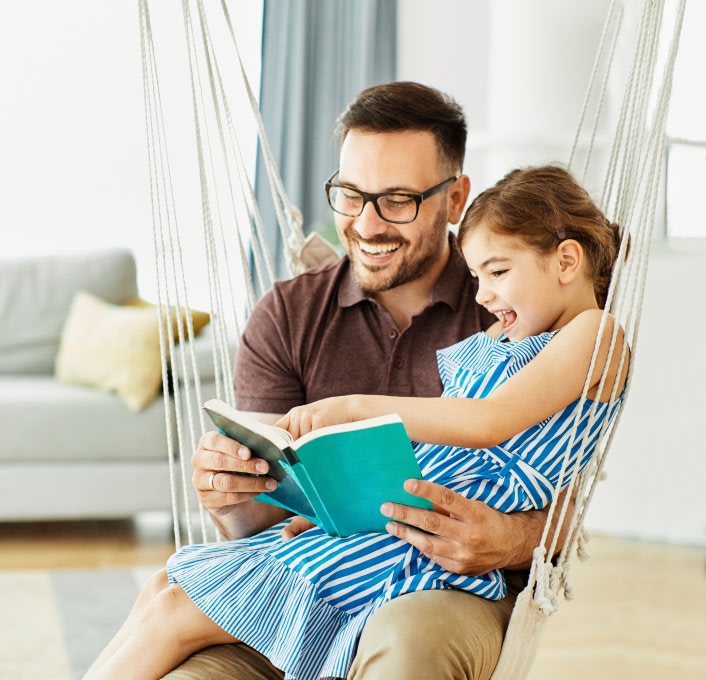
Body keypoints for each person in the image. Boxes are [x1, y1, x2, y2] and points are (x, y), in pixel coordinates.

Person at [83, 163, 628, 680]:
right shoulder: (506, 338)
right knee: (164, 589)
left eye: (498, 272)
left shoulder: (596, 333)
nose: (483, 296)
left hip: (420, 539)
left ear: (565, 261)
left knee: (177, 611)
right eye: (477, 277)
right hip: (398, 509)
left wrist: (354, 406)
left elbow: (490, 422)